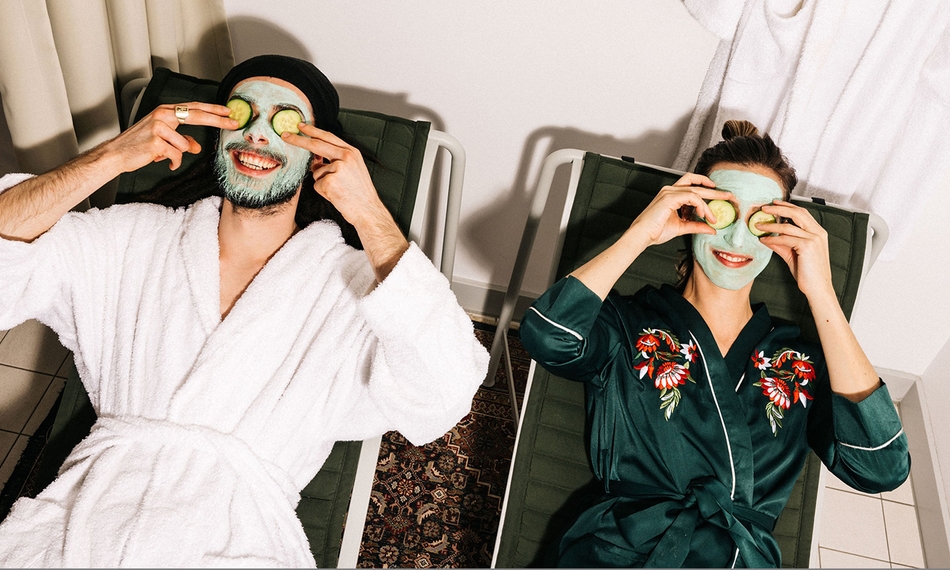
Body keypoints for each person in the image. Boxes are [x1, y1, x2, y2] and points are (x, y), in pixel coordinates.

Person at [0, 55, 488, 567]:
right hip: (86, 527)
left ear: (319, 152)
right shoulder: (132, 237)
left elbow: (445, 389)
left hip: (242, 540)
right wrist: (107, 159)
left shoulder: (355, 288)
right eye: (242, 112)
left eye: (285, 120)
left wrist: (367, 211)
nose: (257, 133)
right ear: (219, 134)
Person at [519, 120, 910, 568]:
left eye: (760, 218)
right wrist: (640, 234)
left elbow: (882, 469)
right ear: (693, 210)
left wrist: (821, 292)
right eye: (725, 210)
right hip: (621, 551)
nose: (737, 239)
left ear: (780, 230)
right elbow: (546, 337)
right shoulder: (627, 323)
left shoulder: (802, 362)